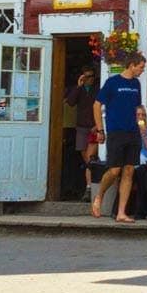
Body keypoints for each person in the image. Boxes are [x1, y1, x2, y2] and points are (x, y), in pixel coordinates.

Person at [92, 51, 146, 223]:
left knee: (129, 170)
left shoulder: (136, 84)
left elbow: (138, 108)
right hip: (116, 131)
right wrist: (101, 130)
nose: (142, 70)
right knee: (115, 170)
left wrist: (143, 125)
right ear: (131, 65)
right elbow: (97, 105)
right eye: (141, 67)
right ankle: (99, 195)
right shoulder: (112, 82)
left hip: (133, 131)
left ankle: (122, 212)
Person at [64, 66, 98, 201]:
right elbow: (71, 102)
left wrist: (97, 125)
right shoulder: (80, 90)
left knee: (90, 159)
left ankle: (89, 189)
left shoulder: (97, 89)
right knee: (86, 158)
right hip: (81, 127)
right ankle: (90, 186)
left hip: (94, 128)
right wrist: (78, 87)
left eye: (91, 76)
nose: (88, 79)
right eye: (86, 76)